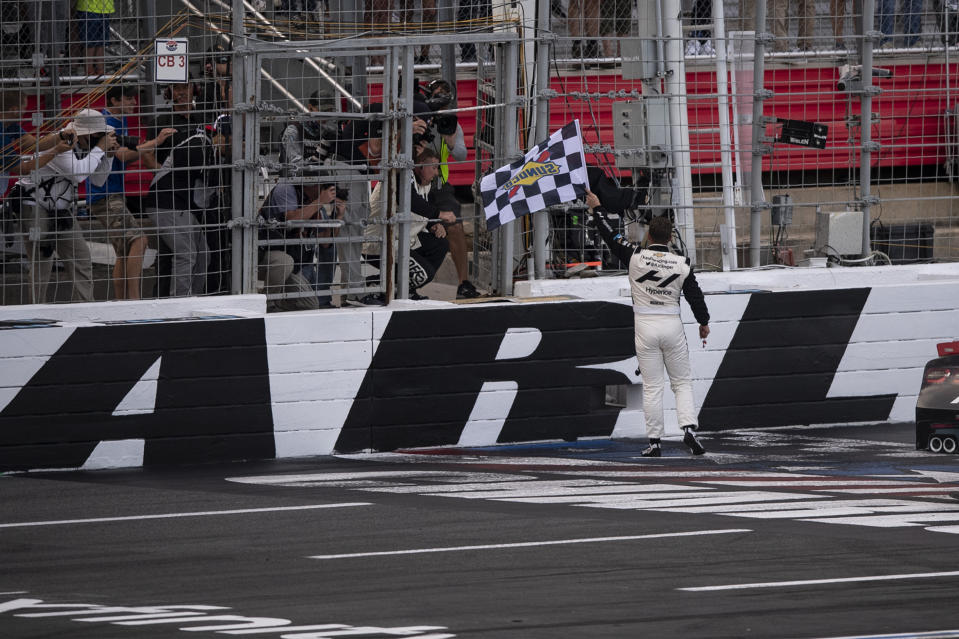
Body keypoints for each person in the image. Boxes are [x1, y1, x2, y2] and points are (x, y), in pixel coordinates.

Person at [587, 192, 710, 457]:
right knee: (682, 383)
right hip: (672, 326)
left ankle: (655, 442)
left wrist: (597, 209)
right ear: (670, 238)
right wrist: (704, 322)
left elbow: (610, 236)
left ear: (649, 236)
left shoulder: (634, 256)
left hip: (645, 326)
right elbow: (695, 296)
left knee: (653, 386)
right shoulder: (682, 264)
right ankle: (689, 430)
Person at [7, 109, 117, 303]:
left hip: (60, 209)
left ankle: (85, 310)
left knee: (81, 258)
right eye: (97, 136)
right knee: (42, 262)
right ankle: (36, 312)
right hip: (33, 205)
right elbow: (79, 175)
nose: (99, 140)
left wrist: (108, 155)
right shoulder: (63, 143)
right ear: (87, 134)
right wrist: (100, 149)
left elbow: (98, 181)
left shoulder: (87, 145)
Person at [88, 85, 177, 300]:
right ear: (114, 101)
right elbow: (122, 155)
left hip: (113, 192)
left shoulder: (119, 120)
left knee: (123, 251)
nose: (133, 104)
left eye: (134, 99)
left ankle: (122, 302)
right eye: (128, 99)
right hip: (105, 193)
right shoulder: (105, 122)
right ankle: (135, 301)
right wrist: (155, 142)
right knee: (140, 241)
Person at [144, 115, 229, 297]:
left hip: (179, 206)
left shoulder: (203, 146)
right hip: (167, 205)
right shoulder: (198, 145)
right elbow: (206, 182)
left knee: (202, 253)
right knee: (186, 253)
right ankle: (180, 300)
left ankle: (193, 297)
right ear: (222, 137)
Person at [419, 79, 480, 299]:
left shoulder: (452, 124)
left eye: (444, 98)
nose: (441, 104)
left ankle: (464, 283)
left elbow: (461, 155)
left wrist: (450, 139)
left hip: (438, 185)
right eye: (437, 96)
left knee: (454, 225)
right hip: (414, 184)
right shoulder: (417, 117)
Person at [364, 147, 451, 300]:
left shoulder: (425, 184)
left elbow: (422, 212)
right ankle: (376, 286)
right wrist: (439, 215)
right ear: (421, 164)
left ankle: (404, 290)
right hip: (378, 244)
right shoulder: (401, 175)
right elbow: (409, 201)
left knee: (441, 244)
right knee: (425, 274)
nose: (436, 173)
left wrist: (434, 225)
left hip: (403, 240)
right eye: (434, 167)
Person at [256, 169, 333, 312]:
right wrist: (320, 201)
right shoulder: (286, 189)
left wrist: (338, 215)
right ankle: (268, 304)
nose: (326, 191)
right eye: (323, 186)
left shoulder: (315, 203)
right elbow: (291, 219)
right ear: (312, 185)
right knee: (284, 261)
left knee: (310, 304)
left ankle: (272, 302)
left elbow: (326, 242)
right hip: (263, 253)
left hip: (291, 261)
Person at [75, 0, 113, 75]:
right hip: (88, 7)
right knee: (90, 42)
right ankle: (89, 71)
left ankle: (100, 70)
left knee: (101, 42)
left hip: (105, 7)